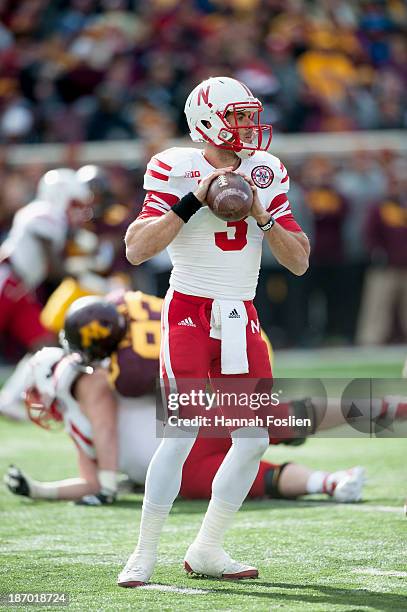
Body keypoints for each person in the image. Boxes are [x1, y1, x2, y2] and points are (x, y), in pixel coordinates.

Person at [120, 75, 311, 586]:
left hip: (240, 312)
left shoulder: (266, 170)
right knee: (180, 431)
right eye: (239, 116)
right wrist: (192, 201)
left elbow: (299, 263)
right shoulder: (173, 165)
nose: (250, 126)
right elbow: (136, 249)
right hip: (188, 309)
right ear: (206, 120)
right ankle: (142, 553)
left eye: (251, 115)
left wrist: (263, 216)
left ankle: (207, 547)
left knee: (251, 439)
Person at [4, 295, 367, 505]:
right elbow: (92, 481)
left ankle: (336, 468)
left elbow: (106, 430)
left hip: (179, 444)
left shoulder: (85, 382)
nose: (37, 403)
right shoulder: (89, 390)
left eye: (35, 391)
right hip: (177, 459)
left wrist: (112, 483)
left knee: (270, 439)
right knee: (261, 462)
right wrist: (39, 490)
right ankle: (334, 477)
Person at [0, 168, 93, 418]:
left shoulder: (51, 217)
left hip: (19, 290)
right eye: (74, 202)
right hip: (6, 281)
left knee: (42, 343)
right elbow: (53, 265)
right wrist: (82, 276)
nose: (76, 209)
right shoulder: (43, 213)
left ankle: (8, 399)